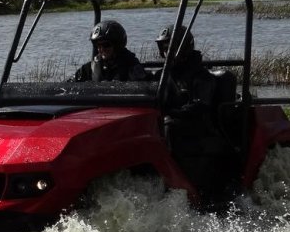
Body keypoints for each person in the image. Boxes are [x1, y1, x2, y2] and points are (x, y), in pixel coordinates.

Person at [155, 24, 223, 201]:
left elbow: (200, 106)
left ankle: (184, 189)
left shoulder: (202, 77)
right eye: (164, 48)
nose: (166, 53)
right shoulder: (161, 75)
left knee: (169, 126)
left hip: (197, 132)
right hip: (170, 128)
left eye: (170, 48)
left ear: (184, 48)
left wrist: (170, 113)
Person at [72, 20, 148, 82]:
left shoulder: (132, 67)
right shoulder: (90, 68)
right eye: (98, 45)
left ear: (117, 45)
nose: (101, 49)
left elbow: (144, 91)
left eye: (106, 45)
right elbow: (69, 86)